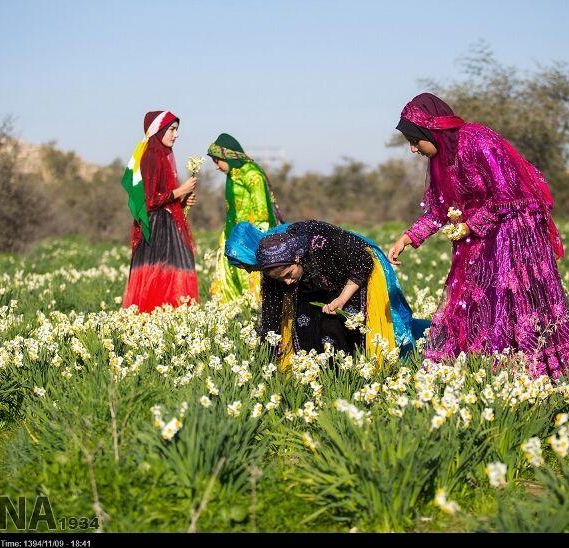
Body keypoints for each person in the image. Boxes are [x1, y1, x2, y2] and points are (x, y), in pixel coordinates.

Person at [387, 93, 569, 378]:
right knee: (471, 299)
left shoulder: (477, 140)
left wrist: (469, 225)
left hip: (514, 231)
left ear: (432, 132)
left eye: (415, 141)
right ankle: (486, 369)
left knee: (511, 298)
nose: (413, 149)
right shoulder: (440, 163)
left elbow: (508, 193)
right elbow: (440, 209)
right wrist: (407, 238)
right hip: (479, 235)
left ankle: (532, 368)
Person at [226, 220, 429, 367]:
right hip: (318, 278)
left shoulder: (318, 242)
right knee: (308, 324)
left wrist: (341, 298)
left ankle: (422, 341)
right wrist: (268, 353)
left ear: (296, 259)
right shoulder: (272, 264)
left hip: (355, 268)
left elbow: (362, 262)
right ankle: (326, 371)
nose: (249, 271)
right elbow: (272, 312)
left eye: (247, 265)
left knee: (351, 324)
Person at [121, 110, 198, 312]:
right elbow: (149, 201)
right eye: (172, 129)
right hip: (156, 229)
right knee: (160, 277)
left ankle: (169, 320)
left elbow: (163, 198)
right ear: (159, 130)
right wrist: (181, 191)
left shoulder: (163, 155)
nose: (176, 135)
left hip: (166, 225)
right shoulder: (151, 157)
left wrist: (183, 201)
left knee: (172, 275)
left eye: (176, 130)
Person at [207, 133, 283, 301]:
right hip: (233, 234)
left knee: (251, 282)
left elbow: (262, 211)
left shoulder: (251, 174)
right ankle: (234, 311)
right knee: (231, 282)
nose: (216, 167)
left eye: (217, 161)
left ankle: (253, 310)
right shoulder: (232, 174)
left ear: (227, 156)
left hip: (250, 238)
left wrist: (256, 241)